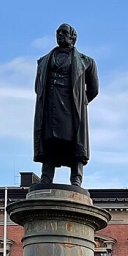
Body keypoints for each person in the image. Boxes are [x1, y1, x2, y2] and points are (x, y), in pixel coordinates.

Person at [33, 23, 99, 187]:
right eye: (58, 32)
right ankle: (46, 176)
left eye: (64, 32)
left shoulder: (87, 62)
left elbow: (93, 89)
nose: (60, 35)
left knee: (74, 141)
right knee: (49, 140)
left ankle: (76, 177)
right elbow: (38, 87)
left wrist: (80, 101)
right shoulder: (43, 61)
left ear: (73, 37)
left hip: (72, 107)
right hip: (50, 105)